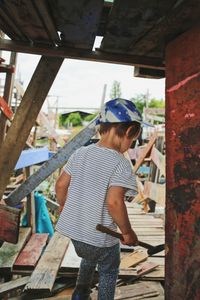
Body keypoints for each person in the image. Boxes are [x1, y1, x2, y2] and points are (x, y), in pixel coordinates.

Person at [55, 98, 143, 300]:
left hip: (75, 235)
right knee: (109, 268)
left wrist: (63, 206)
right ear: (129, 132)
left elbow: (60, 185)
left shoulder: (81, 153)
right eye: (133, 140)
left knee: (90, 255)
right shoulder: (121, 164)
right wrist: (127, 232)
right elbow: (114, 202)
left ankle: (80, 292)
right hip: (99, 238)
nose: (131, 145)